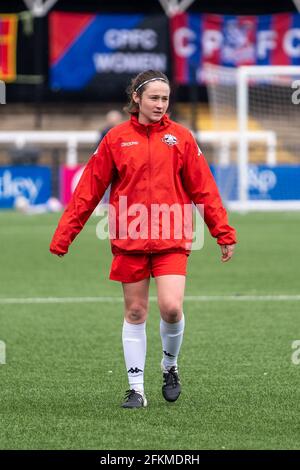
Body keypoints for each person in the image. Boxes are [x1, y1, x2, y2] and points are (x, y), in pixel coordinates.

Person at [49, 70, 236, 409]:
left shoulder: (181, 138)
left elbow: (204, 189)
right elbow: (88, 191)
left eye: (165, 99)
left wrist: (221, 231)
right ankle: (135, 389)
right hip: (129, 238)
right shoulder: (116, 139)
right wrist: (65, 236)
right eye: (154, 98)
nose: (160, 105)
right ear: (136, 98)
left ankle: (170, 366)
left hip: (172, 237)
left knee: (171, 307)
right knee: (135, 311)